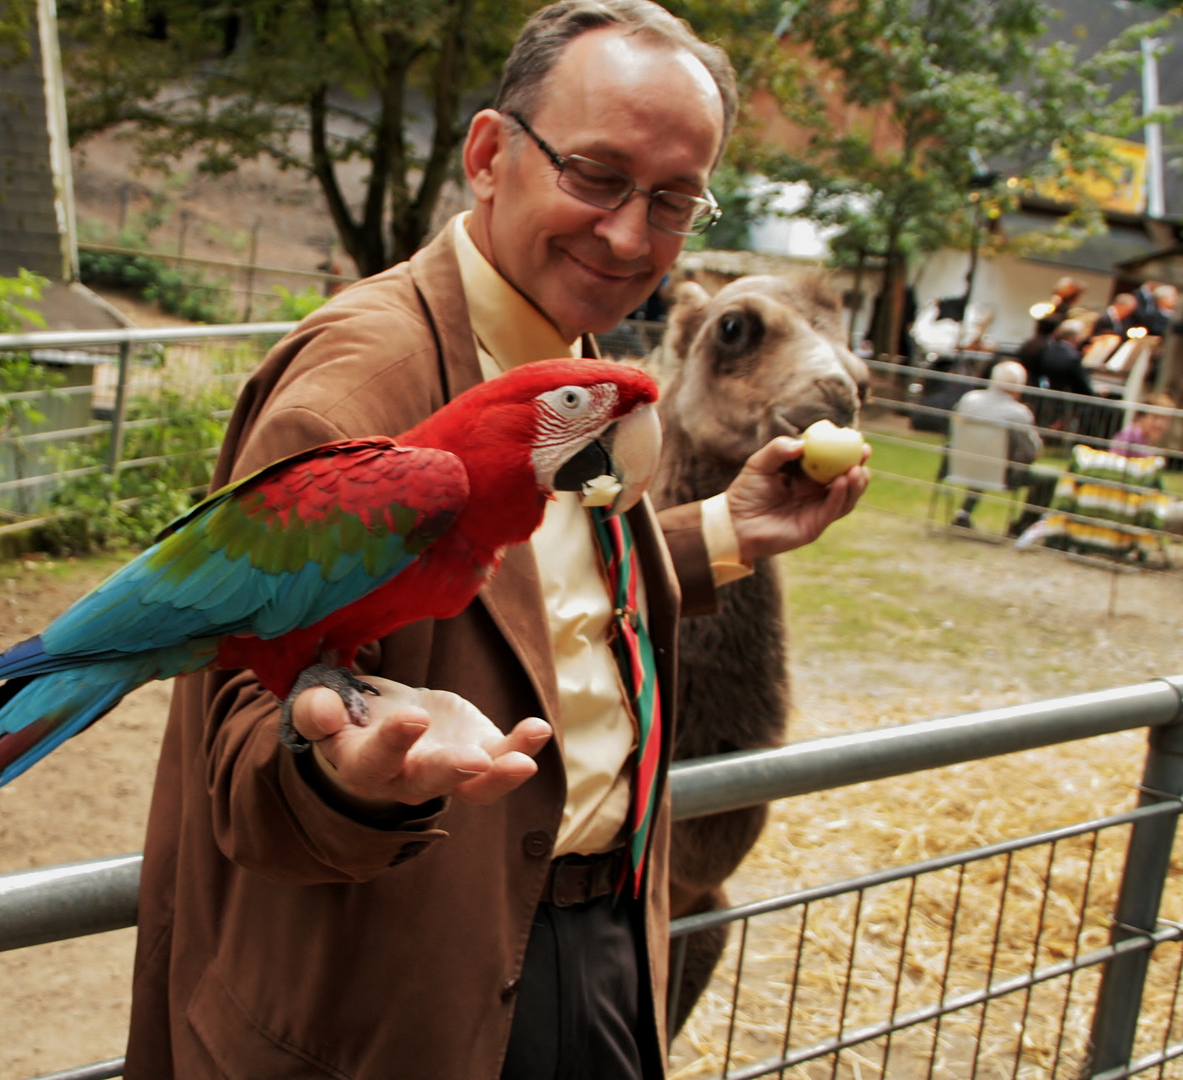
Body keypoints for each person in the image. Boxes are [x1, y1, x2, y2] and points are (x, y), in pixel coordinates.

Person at [124, 5, 869, 1079]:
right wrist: (344, 772)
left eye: (670, 200)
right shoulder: (359, 397)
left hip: (601, 937)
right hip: (403, 1002)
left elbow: (530, 595)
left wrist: (725, 533)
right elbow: (238, 753)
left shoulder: (568, 353)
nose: (627, 235)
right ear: (488, 155)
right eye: (597, 175)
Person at [948, 360, 1042, 530]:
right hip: (1001, 474)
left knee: (983, 458)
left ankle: (964, 513)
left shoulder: (968, 400)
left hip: (957, 465)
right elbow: (1033, 451)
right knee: (1047, 478)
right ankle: (1025, 526)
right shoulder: (1018, 413)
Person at [1111, 393, 1177, 457]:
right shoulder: (1127, 438)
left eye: (1165, 419)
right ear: (1141, 417)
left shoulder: (1144, 441)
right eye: (1155, 417)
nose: (1159, 424)